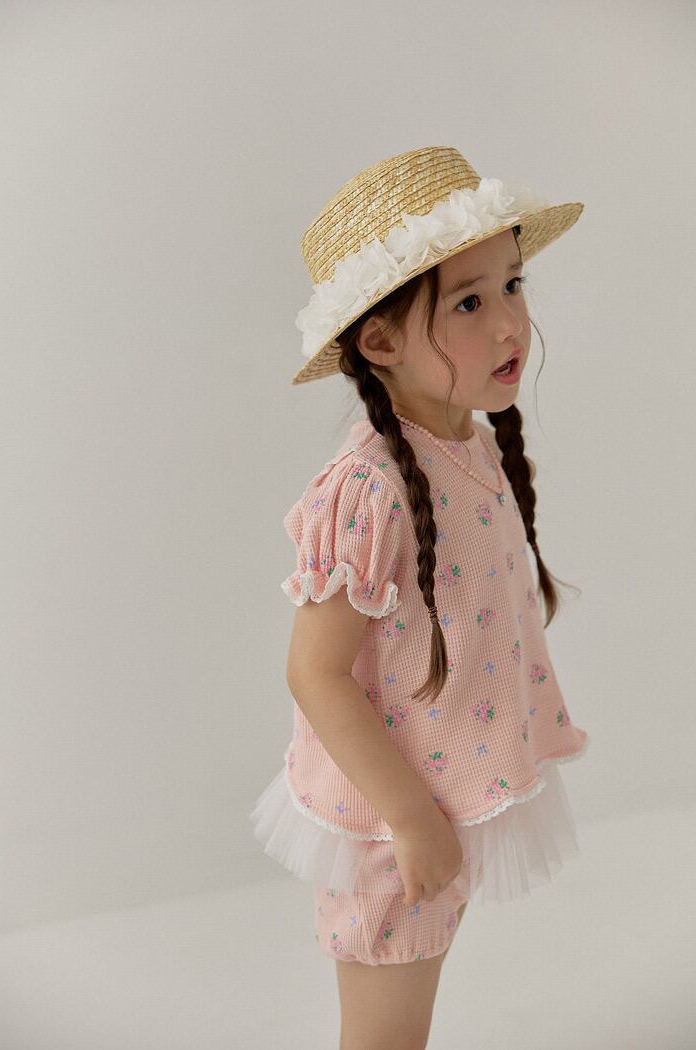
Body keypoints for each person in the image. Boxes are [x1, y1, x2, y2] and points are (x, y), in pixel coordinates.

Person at [249, 145, 591, 1050]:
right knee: (385, 1035)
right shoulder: (369, 490)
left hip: (444, 793)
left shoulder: (464, 444)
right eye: (468, 303)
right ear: (380, 342)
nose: (510, 323)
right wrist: (407, 816)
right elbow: (315, 672)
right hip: (388, 820)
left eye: (512, 284)